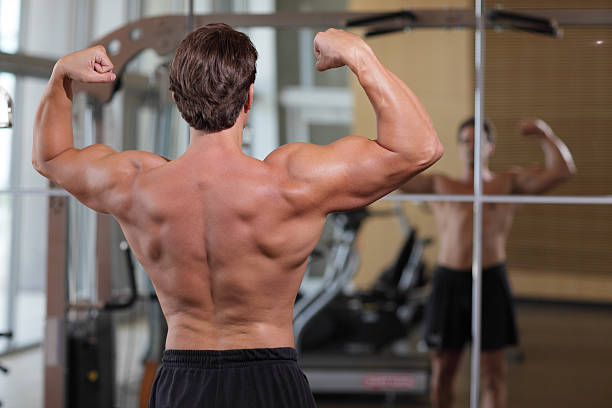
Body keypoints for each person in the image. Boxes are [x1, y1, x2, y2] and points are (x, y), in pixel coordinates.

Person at [32, 24, 443, 408]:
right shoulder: (292, 182)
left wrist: (61, 76)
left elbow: (51, 156)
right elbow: (419, 147)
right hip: (270, 378)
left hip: (182, 380)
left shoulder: (135, 185)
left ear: (176, 100)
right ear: (247, 97)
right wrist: (358, 54)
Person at [400, 117, 576, 408]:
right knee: (442, 372)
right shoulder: (440, 184)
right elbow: (390, 175)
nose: (471, 147)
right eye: (465, 141)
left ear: (490, 147)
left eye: (478, 141)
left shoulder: (507, 183)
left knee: (493, 375)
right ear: (458, 147)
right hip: (449, 283)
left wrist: (546, 134)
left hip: (491, 281)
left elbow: (562, 171)